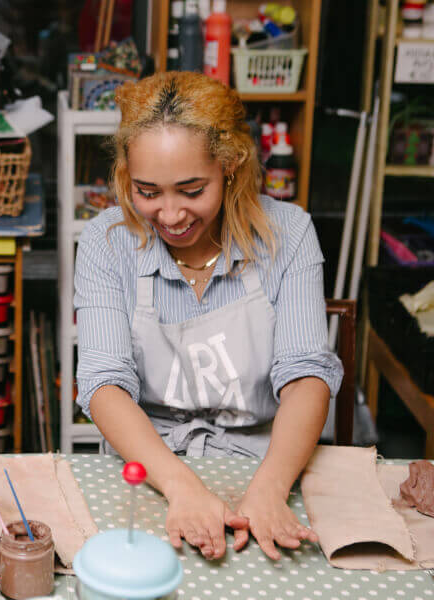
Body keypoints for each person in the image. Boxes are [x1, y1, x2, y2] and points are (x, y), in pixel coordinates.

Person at [74, 72, 343, 561]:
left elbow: (307, 375)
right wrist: (182, 489)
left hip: (266, 465)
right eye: (147, 191)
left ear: (231, 166)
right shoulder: (106, 243)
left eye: (192, 190)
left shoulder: (290, 234)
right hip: (149, 473)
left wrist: (270, 489)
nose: (170, 215)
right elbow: (103, 383)